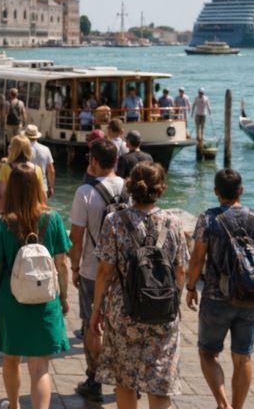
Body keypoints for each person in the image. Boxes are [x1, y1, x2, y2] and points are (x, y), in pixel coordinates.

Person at [90, 162, 189, 408]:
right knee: (159, 381)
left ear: (130, 187)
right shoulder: (173, 223)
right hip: (162, 312)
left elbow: (104, 271)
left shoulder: (115, 221)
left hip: (125, 310)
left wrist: (96, 311)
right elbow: (180, 270)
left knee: (126, 380)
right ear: (161, 189)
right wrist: (173, 302)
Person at [187, 169, 254, 409]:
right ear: (241, 190)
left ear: (216, 192)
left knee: (208, 354)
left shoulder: (208, 219)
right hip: (251, 299)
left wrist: (190, 287)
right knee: (243, 357)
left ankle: (223, 404)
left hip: (215, 298)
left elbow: (197, 258)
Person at [0, 163, 71, 409]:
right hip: (45, 298)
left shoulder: (2, 222)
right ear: (38, 187)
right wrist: (63, 297)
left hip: (11, 298)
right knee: (40, 365)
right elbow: (62, 264)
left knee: (11, 358)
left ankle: (13, 405)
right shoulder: (52, 219)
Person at [69, 138, 125, 402]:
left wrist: (74, 267)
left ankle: (94, 381)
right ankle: (126, 380)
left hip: (93, 270)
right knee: (122, 326)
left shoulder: (85, 193)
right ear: (115, 161)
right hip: (125, 273)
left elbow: (76, 238)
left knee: (92, 326)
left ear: (93, 161)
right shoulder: (130, 189)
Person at [0, 135, 46, 216]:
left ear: (13, 149)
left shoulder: (6, 168)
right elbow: (42, 195)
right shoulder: (36, 169)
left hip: (11, 212)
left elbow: (1, 194)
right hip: (31, 212)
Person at [24, 124, 55, 199]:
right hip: (42, 188)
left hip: (25, 186)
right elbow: (51, 171)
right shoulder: (46, 149)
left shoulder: (23, 149)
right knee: (41, 209)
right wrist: (50, 187)